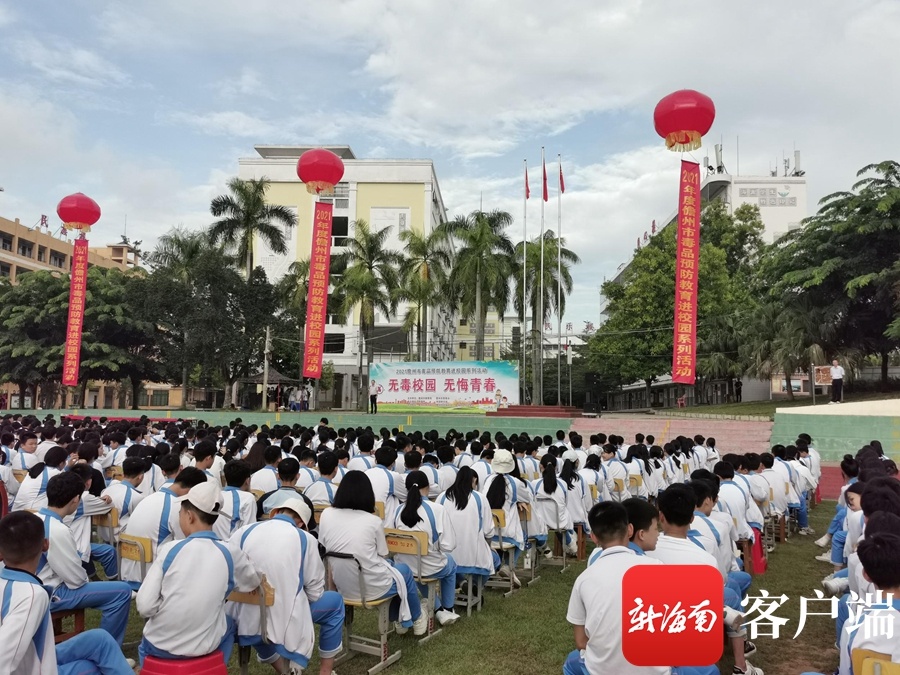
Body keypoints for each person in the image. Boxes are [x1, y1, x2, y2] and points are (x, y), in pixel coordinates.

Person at [136, 479, 261, 664]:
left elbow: (145, 606)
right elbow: (252, 581)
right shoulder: (230, 552)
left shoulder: (170, 549)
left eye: (179, 513)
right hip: (201, 647)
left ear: (189, 516)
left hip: (158, 646)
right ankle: (214, 666)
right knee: (229, 624)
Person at [0, 511, 136, 675]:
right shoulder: (32, 595)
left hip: (33, 656)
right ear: (45, 545)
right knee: (97, 667)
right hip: (31, 667)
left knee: (100, 640)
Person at [231, 491, 344, 675]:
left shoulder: (243, 532)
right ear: (301, 523)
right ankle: (325, 672)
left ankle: (282, 669)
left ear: (274, 513)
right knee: (336, 603)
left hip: (242, 615)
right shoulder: (304, 538)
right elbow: (315, 592)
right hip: (281, 616)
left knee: (259, 617)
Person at [318, 471, 428, 635]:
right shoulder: (373, 521)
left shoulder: (327, 514)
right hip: (371, 586)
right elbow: (383, 553)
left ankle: (402, 619)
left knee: (396, 571)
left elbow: (325, 545)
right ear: (368, 494)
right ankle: (416, 617)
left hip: (342, 586)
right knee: (403, 571)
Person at [563, 502, 667, 675]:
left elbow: (581, 642)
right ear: (630, 530)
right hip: (656, 670)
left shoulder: (584, 579)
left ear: (594, 537)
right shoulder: (658, 567)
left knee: (572, 663)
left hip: (600, 670)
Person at [35, 472, 134, 646]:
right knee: (122, 591)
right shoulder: (57, 529)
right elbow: (76, 580)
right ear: (75, 500)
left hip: (34, 587)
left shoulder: (35, 518)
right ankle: (107, 650)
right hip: (51, 593)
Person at [120, 467, 207, 589]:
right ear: (191, 490)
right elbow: (187, 542)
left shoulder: (150, 498)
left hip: (129, 569)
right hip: (149, 575)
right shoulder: (176, 506)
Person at [392, 471, 460, 625]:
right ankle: (447, 609)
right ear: (428, 487)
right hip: (430, 566)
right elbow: (448, 545)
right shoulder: (436, 509)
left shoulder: (397, 510)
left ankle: (439, 609)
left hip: (405, 566)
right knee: (450, 563)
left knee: (418, 569)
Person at [437, 466, 499, 588]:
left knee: (453, 561)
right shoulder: (479, 498)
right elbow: (488, 531)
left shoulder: (442, 497)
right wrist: (488, 547)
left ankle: (461, 582)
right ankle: (475, 585)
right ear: (474, 480)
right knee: (494, 559)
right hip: (474, 554)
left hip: (446, 552)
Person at [215, 459, 257, 541]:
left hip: (213, 545)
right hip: (232, 548)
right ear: (248, 481)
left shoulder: (216, 495)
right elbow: (249, 531)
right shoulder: (248, 498)